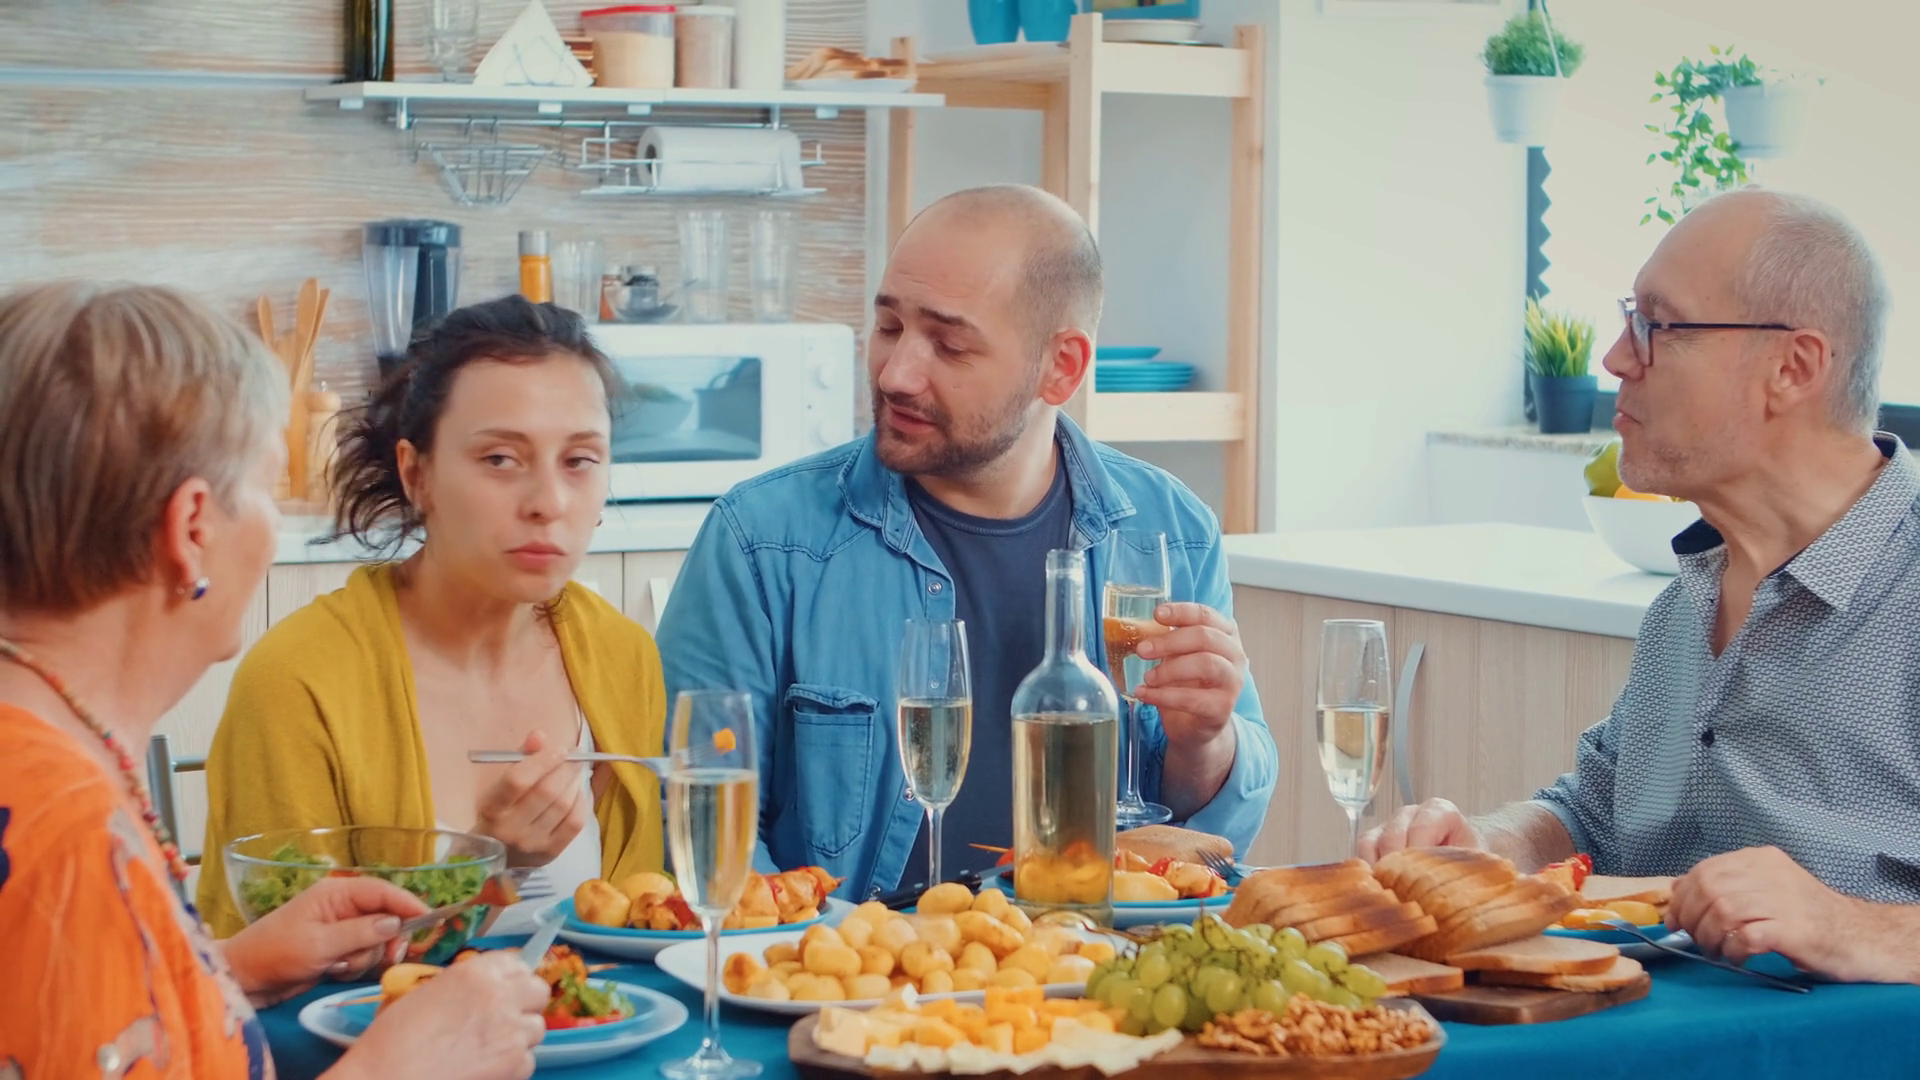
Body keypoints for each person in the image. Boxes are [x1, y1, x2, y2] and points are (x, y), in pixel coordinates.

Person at [1361, 188, 1920, 985]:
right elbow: (1594, 814)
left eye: (1659, 325)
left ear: (1792, 368)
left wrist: (1852, 926)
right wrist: (1488, 844)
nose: (1617, 359)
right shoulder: (1687, 599)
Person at [659, 184, 1276, 900]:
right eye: (888, 326)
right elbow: (693, 832)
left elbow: (1214, 847)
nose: (896, 373)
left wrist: (1207, 742)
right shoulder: (761, 542)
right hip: (848, 965)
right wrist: (852, 953)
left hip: (1093, 959)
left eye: (950, 346)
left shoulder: (1172, 530)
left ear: (1061, 368)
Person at [0, 282, 551, 1079]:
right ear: (192, 529)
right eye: (264, 487)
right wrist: (398, 1067)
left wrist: (232, 967)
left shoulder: (48, 746)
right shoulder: (71, 838)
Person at [197, 297, 668, 937]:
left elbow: (641, 930)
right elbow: (269, 971)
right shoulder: (298, 683)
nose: (549, 502)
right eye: (500, 459)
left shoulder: (622, 657)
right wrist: (491, 868)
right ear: (417, 474)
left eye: (579, 461)